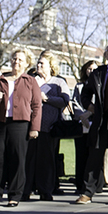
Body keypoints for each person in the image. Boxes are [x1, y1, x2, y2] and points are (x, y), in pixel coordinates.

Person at [76, 43, 108, 205]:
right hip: (100, 120)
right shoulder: (97, 73)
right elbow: (85, 93)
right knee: (94, 157)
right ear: (105, 54)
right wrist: (89, 107)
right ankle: (87, 192)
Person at [0, 49, 42, 207]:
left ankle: (15, 195)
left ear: (27, 63)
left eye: (20, 60)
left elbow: (37, 105)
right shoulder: (0, 79)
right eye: (14, 58)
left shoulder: (30, 81)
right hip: (0, 123)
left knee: (17, 159)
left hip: (20, 124)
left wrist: (34, 127)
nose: (16, 62)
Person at [23, 51, 71, 201]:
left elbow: (64, 100)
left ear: (51, 66)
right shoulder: (31, 81)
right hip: (31, 127)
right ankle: (26, 190)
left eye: (42, 63)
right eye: (38, 63)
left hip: (49, 128)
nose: (38, 65)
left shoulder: (58, 82)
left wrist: (47, 98)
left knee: (47, 160)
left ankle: (45, 190)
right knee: (29, 160)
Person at [72, 60, 99, 196]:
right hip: (81, 125)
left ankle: (95, 184)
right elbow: (75, 103)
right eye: (89, 69)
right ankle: (80, 184)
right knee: (81, 155)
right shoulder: (79, 86)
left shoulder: (100, 85)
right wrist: (82, 117)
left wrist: (90, 113)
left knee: (94, 156)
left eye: (94, 69)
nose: (91, 71)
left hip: (95, 124)